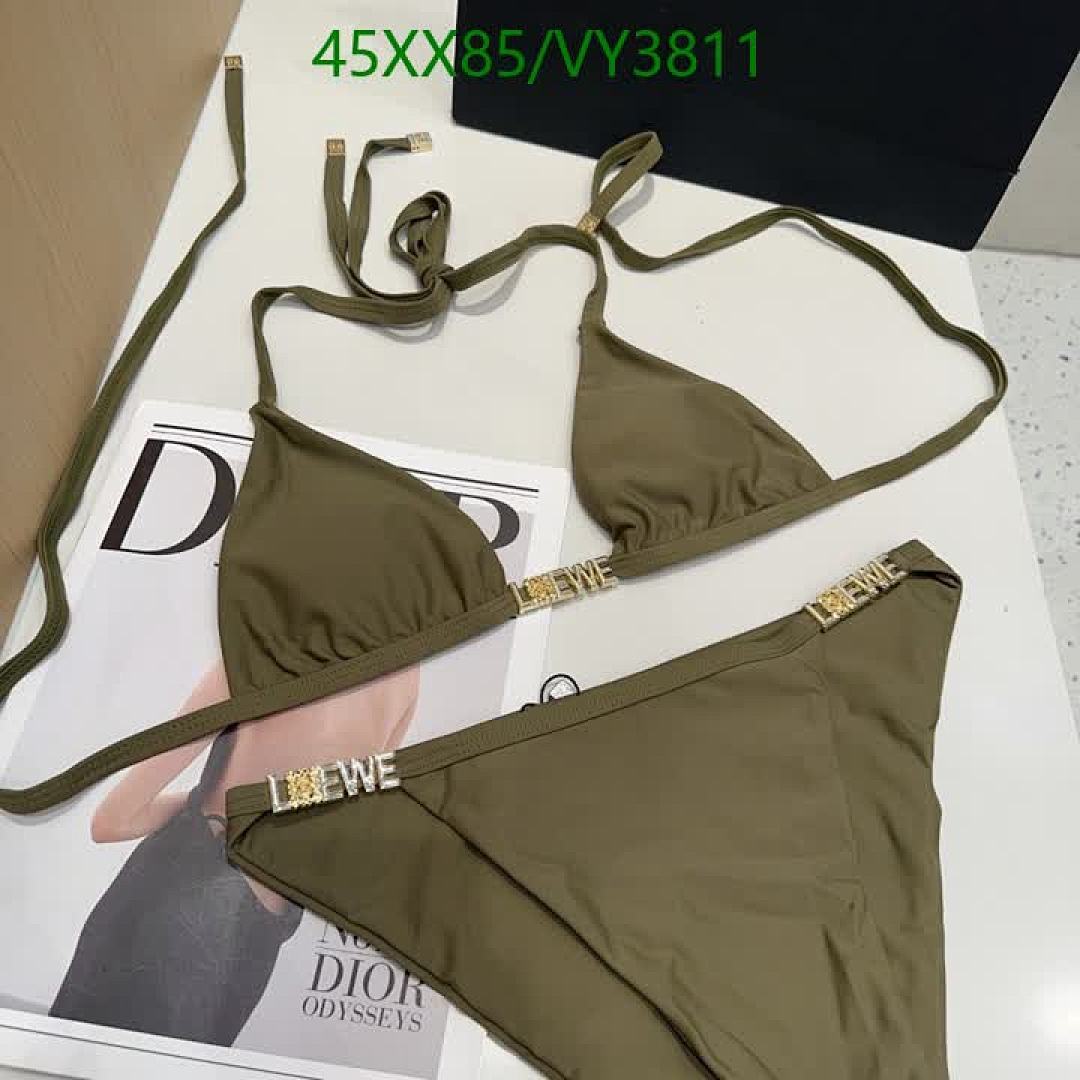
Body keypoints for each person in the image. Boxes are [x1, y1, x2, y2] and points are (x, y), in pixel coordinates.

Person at [49, 662, 419, 1045]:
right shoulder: (406, 680)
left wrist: (207, 804)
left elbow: (113, 820)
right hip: (260, 934)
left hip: (179, 895)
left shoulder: (262, 652)